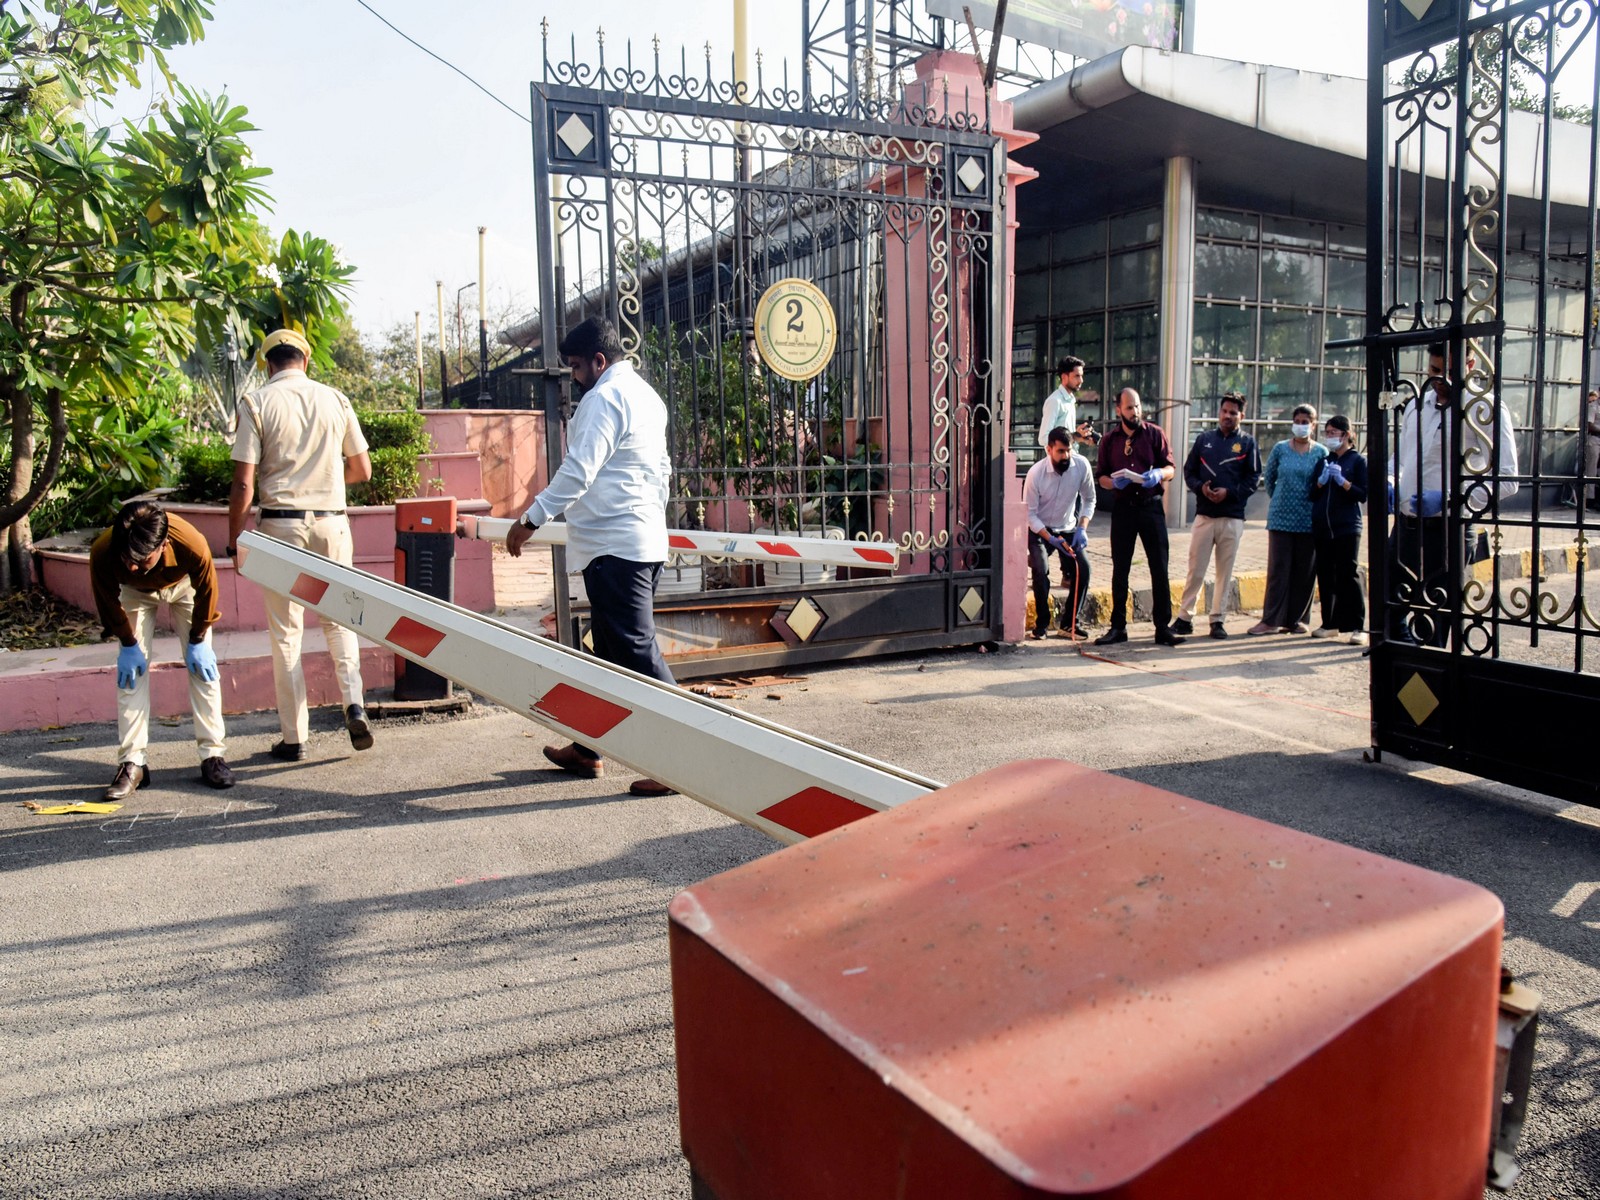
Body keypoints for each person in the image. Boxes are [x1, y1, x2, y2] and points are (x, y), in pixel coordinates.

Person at [506, 316, 677, 798]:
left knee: (637, 653)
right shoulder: (646, 395)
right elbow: (662, 469)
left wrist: (530, 519)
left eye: (578, 367)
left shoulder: (605, 398)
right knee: (607, 654)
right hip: (635, 541)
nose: (574, 377)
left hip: (616, 547)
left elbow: (578, 471)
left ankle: (683, 760)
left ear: (599, 361)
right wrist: (648, 519)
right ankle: (587, 748)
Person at [228, 328, 375, 761]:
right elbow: (362, 469)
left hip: (281, 528)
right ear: (305, 360)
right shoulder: (336, 399)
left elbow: (243, 483)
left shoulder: (256, 402)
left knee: (286, 632)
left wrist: (235, 539)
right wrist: (325, 483)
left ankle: (295, 738)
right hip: (331, 523)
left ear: (267, 365)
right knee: (340, 620)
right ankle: (354, 704)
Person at [89, 500, 234, 799]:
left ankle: (213, 755)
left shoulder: (191, 543)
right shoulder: (104, 551)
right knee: (130, 676)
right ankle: (133, 763)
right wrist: (128, 643)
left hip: (183, 586)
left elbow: (207, 591)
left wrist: (198, 639)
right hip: (135, 593)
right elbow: (107, 601)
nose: (132, 566)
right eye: (126, 557)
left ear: (164, 544)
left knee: (204, 671)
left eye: (141, 560)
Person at [1386, 342, 1518, 647]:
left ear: (1470, 366)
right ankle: (1401, 667)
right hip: (1406, 527)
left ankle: (1429, 669)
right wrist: (1390, 481)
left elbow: (1507, 479)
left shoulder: (1484, 408)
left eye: (1448, 372)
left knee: (1434, 621)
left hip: (1447, 530)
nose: (1440, 379)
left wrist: (1448, 497)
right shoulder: (1417, 405)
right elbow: (1400, 458)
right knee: (1390, 610)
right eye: (1434, 370)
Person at [1095, 387, 1184, 646]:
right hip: (1123, 508)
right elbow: (1101, 477)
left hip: (1150, 506)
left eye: (1137, 406)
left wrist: (1158, 474)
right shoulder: (1110, 440)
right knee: (1120, 568)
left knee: (1159, 566)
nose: (1135, 412)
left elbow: (1171, 468)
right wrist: (1113, 482)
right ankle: (1118, 627)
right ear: (1118, 410)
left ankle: (1162, 627)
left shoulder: (1154, 434)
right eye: (1129, 407)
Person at [1173, 390, 1261, 639]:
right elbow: (1189, 471)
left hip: (1232, 518)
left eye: (1233, 412)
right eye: (1224, 411)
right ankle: (1184, 618)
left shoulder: (1247, 443)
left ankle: (1217, 620)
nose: (1227, 416)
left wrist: (1229, 493)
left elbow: (1254, 478)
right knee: (1195, 569)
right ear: (1219, 412)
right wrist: (1201, 488)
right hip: (1204, 516)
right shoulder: (1204, 440)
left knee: (1224, 572)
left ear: (1242, 415)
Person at [1249, 404, 1327, 635]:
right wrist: (1281, 499)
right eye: (1298, 421)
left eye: (1306, 422)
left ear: (1313, 425)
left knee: (1305, 571)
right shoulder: (1280, 449)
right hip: (1281, 517)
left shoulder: (1321, 452)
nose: (1301, 426)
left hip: (1308, 518)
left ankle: (1297, 620)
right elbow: (1270, 478)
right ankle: (1270, 620)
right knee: (1278, 570)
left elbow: (1321, 484)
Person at [1023, 426, 1095, 639]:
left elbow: (1090, 498)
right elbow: (1030, 514)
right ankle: (1042, 624)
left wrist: (1082, 527)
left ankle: (1070, 624)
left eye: (1068, 450)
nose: (1065, 456)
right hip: (1040, 529)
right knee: (1040, 568)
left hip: (1069, 528)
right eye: (1060, 451)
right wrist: (1049, 538)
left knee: (1083, 568)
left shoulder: (1081, 465)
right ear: (1049, 450)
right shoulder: (1036, 473)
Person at [1310, 414, 1369, 645]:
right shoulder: (1324, 460)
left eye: (1333, 432)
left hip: (1347, 526)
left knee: (1348, 573)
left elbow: (1362, 494)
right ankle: (1330, 623)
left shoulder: (1357, 461)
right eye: (1327, 433)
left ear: (1346, 435)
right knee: (1325, 574)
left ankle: (1357, 626)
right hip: (1323, 526)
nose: (1329, 437)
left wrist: (1343, 482)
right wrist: (1321, 481)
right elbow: (1311, 493)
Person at [1038, 356, 1083, 449]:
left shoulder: (1070, 400)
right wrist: (1073, 436)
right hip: (1060, 458)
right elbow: (1043, 439)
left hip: (1071, 455)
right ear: (1064, 377)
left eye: (1082, 376)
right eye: (1077, 376)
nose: (1081, 380)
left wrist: (1081, 438)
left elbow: (1069, 437)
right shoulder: (1054, 401)